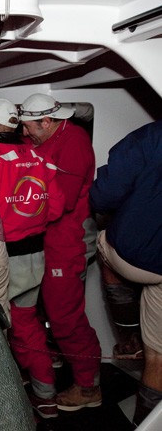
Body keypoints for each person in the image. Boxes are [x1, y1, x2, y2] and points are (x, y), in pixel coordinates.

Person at [0, 98, 64, 418]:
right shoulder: (39, 156)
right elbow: (55, 208)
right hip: (35, 256)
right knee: (27, 325)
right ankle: (46, 396)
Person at [19, 93, 102, 411]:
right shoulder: (43, 139)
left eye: (30, 128)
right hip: (45, 243)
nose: (26, 135)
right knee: (44, 311)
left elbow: (59, 204)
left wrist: (14, 205)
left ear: (48, 121)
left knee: (66, 318)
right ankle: (55, 361)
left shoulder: (74, 143)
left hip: (67, 246)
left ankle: (88, 387)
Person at [89, 120, 162, 426]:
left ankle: (130, 337)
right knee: (159, 357)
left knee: (103, 245)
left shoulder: (150, 137)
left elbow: (104, 195)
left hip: (139, 259)